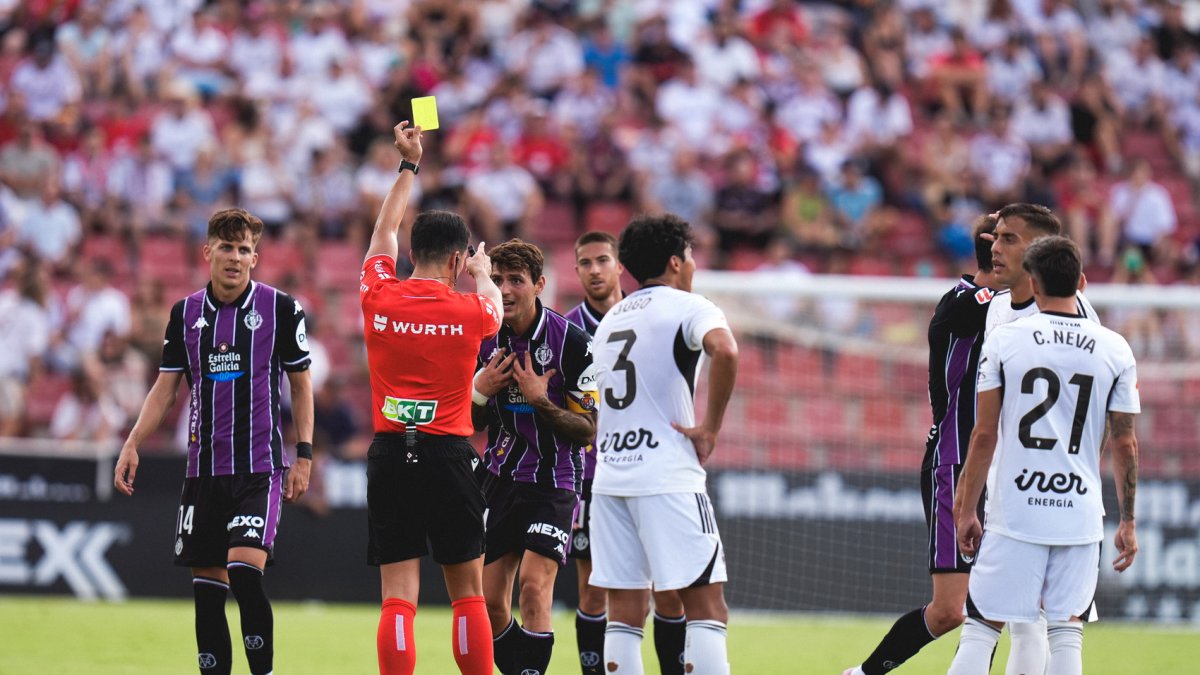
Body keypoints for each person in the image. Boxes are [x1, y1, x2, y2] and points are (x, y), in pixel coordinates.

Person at [113, 207, 314, 675]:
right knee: (207, 595)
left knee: (245, 570)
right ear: (207, 253)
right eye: (227, 247)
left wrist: (303, 455)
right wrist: (132, 442)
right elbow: (166, 388)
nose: (235, 257)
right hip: (203, 472)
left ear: (255, 258)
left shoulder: (280, 308)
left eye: (244, 249)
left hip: (258, 469)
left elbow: (301, 385)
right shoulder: (184, 314)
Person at [948, 236, 1140, 675]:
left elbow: (984, 435)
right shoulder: (1115, 348)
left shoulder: (1005, 340)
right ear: (1083, 282)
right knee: (1066, 635)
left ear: (1032, 284)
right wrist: (1128, 520)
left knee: (981, 629)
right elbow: (1125, 442)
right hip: (1079, 513)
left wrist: (965, 508)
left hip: (1017, 509)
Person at [358, 121, 501, 675]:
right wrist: (484, 274)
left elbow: (380, 234)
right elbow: (492, 301)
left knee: (398, 595)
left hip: (392, 452)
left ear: (412, 251)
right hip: (449, 454)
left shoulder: (378, 295)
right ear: (459, 260)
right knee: (467, 593)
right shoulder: (472, 310)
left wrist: (408, 165)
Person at [842, 215, 999, 675]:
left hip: (1003, 466)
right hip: (955, 462)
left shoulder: (1014, 307)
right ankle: (864, 674)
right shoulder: (964, 300)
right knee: (952, 609)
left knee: (996, 604)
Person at [589, 213, 739, 675]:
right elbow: (726, 350)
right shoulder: (690, 306)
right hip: (667, 476)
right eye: (691, 256)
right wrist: (710, 427)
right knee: (708, 610)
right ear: (676, 261)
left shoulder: (611, 318)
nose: (693, 265)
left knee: (624, 615)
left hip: (610, 477)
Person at [976, 202, 1101, 675]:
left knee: (1042, 624)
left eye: (1009, 238)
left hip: (1053, 488)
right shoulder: (999, 310)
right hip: (1012, 479)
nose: (995, 247)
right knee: (1029, 624)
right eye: (995, 237)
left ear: (1040, 252)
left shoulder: (1082, 319)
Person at [471, 238, 598, 675]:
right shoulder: (482, 338)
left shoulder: (574, 344)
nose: (504, 290)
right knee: (488, 600)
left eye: (516, 281)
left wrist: (541, 400)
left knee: (533, 587)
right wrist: (479, 391)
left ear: (539, 284)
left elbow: (588, 430)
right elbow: (471, 422)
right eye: (497, 279)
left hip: (556, 478)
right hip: (501, 475)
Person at [564, 231, 687, 675]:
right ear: (576, 271)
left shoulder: (651, 317)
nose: (594, 270)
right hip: (591, 479)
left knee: (666, 590)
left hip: (649, 470)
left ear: (620, 267)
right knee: (594, 588)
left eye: (602, 260)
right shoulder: (567, 331)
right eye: (585, 263)